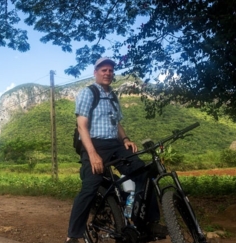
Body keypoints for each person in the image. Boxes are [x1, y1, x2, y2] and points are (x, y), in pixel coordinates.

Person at [64, 57, 167, 243]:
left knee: (142, 171)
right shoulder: (88, 93)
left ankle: (148, 221)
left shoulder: (113, 96)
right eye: (103, 70)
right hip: (93, 145)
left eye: (111, 70)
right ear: (95, 72)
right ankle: (73, 235)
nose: (108, 73)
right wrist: (93, 154)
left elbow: (117, 123)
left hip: (115, 145)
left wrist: (126, 139)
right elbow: (82, 126)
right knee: (90, 186)